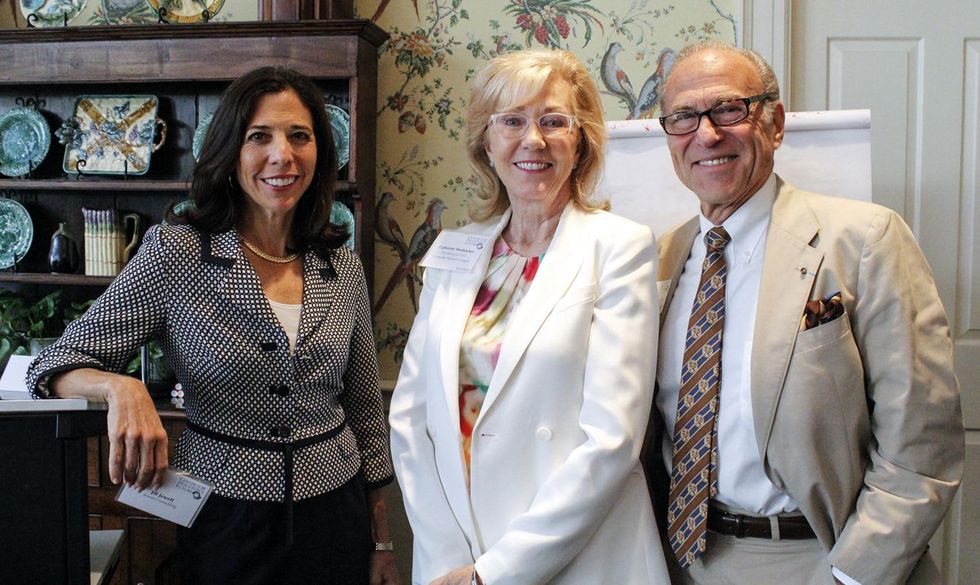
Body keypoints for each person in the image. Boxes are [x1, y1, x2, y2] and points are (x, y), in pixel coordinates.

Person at [26, 66, 401, 585]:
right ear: (230, 151)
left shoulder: (339, 262)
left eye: (300, 136)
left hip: (336, 514)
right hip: (226, 517)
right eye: (259, 137)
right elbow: (52, 366)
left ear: (321, 152)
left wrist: (381, 541)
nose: (282, 155)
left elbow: (363, 406)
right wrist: (120, 387)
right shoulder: (179, 251)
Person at [643, 41, 964, 585]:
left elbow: (922, 443)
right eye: (683, 117)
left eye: (729, 109)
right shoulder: (659, 261)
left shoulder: (864, 239)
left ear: (775, 122)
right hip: (685, 560)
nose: (706, 134)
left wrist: (852, 575)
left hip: (822, 557)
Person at [388, 49, 670, 585]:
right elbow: (410, 417)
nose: (532, 139)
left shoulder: (620, 247)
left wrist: (495, 573)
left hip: (578, 557)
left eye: (554, 121)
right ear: (486, 141)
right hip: (455, 553)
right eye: (512, 121)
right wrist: (451, 557)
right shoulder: (456, 251)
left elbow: (612, 439)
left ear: (581, 139)